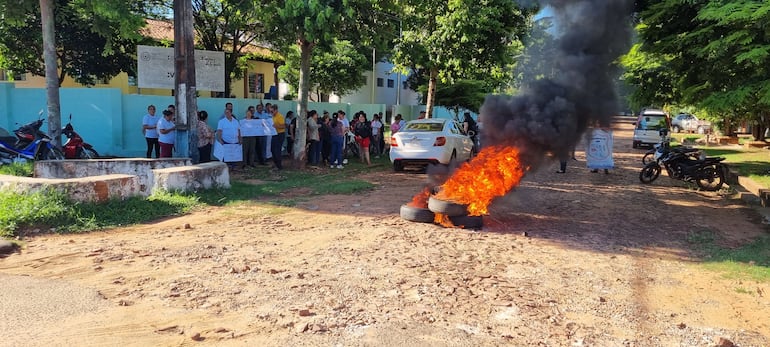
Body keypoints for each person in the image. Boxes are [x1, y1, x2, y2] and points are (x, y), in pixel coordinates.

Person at [269, 104, 285, 170]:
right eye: (270, 111)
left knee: (277, 151)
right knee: (272, 149)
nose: (271, 113)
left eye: (272, 111)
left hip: (280, 134)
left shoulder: (280, 116)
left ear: (276, 110)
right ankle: (275, 163)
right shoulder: (272, 117)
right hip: (274, 134)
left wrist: (276, 126)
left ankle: (279, 166)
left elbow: (283, 126)